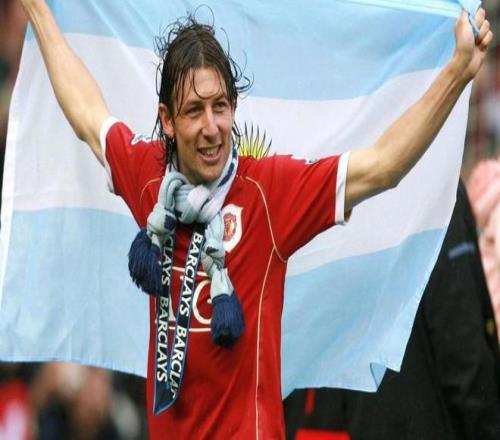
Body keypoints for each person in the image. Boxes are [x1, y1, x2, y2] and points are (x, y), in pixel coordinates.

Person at [19, 0, 493, 438]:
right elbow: (87, 112)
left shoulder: (268, 193)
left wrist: (456, 73)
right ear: (167, 120)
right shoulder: (148, 178)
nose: (211, 127)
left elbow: (383, 165)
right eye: (194, 111)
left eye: (220, 107)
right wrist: (37, 10)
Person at [284, 181, 500, 440]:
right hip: (405, 419)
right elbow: (461, 346)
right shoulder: (434, 183)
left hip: (315, 419)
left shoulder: (305, 184)